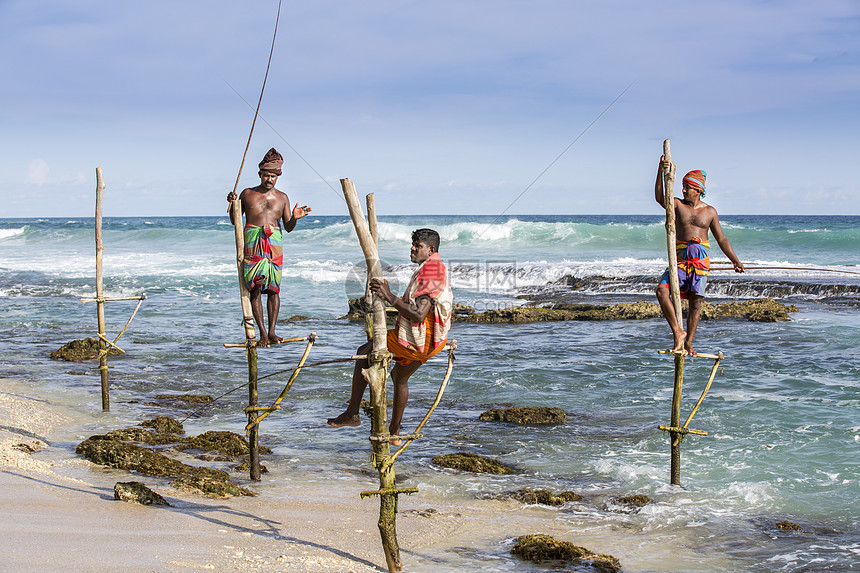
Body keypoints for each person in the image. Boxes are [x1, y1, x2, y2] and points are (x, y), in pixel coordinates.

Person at [327, 228, 453, 445]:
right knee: (399, 377)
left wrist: (388, 296)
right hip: (434, 342)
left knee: (364, 352)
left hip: (421, 339)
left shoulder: (431, 270)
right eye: (412, 244)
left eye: (418, 245)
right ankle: (394, 432)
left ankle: (352, 413)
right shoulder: (434, 267)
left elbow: (419, 313)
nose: (412, 248)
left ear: (431, 249)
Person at [654, 156, 744, 356]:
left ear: (699, 190)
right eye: (683, 186)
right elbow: (660, 199)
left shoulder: (710, 212)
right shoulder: (677, 205)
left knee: (696, 302)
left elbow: (721, 239)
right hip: (680, 258)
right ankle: (678, 330)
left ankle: (689, 343)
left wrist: (735, 260)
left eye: (687, 187)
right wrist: (660, 171)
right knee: (661, 291)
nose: (683, 190)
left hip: (700, 260)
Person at [227, 148, 311, 348]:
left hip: (274, 241)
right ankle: (262, 334)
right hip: (253, 241)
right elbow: (235, 221)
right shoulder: (247, 194)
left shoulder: (282, 198)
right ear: (260, 175)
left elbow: (288, 227)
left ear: (277, 177)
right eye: (266, 175)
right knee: (255, 287)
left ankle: (272, 332)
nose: (269, 179)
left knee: (274, 289)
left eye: (273, 176)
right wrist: (232, 204)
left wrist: (295, 217)